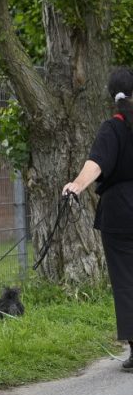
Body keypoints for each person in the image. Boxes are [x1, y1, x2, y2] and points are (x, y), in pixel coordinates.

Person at [62, 67, 133, 371]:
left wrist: (75, 186)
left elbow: (97, 162)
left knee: (126, 281)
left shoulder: (113, 127)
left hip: (119, 211)